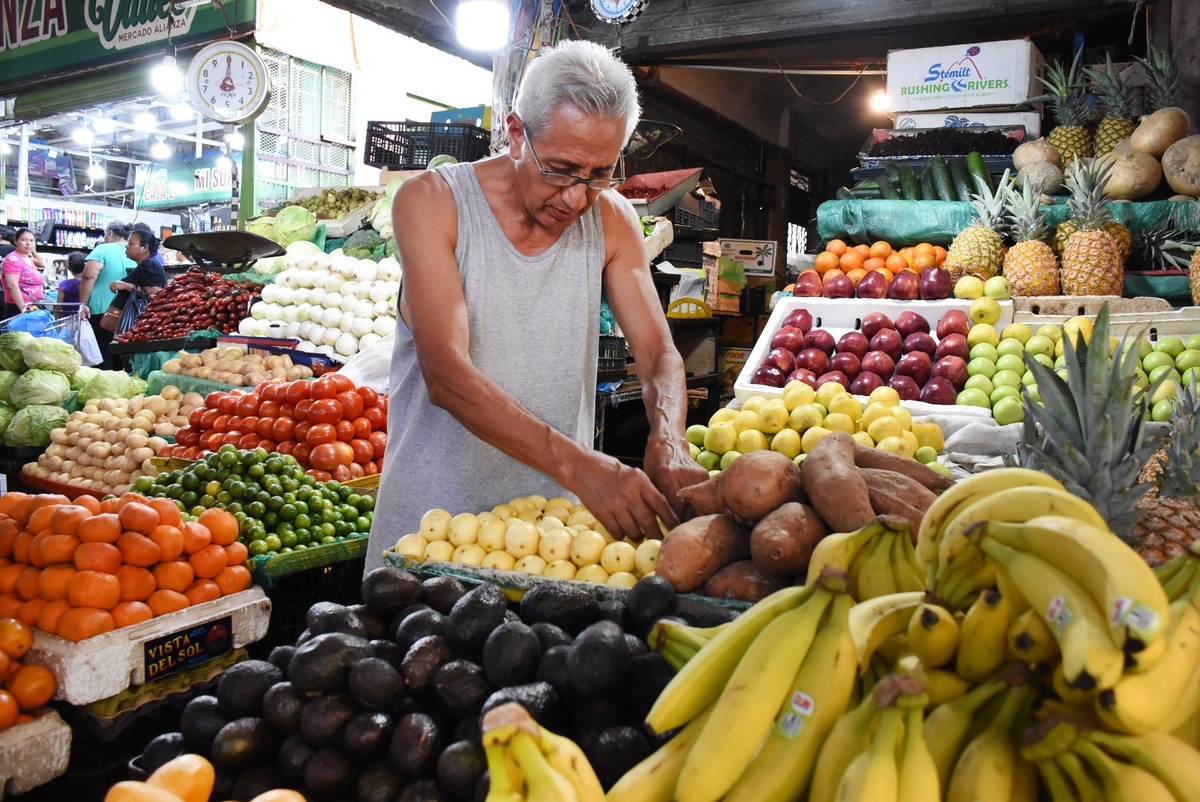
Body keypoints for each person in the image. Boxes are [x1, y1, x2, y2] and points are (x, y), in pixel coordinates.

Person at [364, 41, 707, 573]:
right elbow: (447, 375)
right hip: (427, 530)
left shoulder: (612, 220)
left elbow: (658, 354)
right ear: (517, 133)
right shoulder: (432, 203)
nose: (576, 197)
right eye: (562, 170)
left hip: (552, 541)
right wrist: (581, 466)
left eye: (599, 174)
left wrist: (668, 435)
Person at [79, 221, 134, 369]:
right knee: (121, 353)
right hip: (127, 313)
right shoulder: (134, 251)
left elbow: (89, 276)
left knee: (102, 353)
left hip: (101, 311)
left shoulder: (103, 249)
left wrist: (82, 303)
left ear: (109, 234)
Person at [108, 229, 167, 329]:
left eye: (131, 244)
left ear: (145, 247)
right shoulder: (146, 264)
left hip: (137, 325)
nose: (127, 246)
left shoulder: (149, 264)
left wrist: (126, 286)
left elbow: (155, 293)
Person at [1, 228, 45, 319]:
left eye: (31, 240)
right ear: (15, 241)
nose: (28, 243)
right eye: (24, 240)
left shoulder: (28, 258)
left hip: (33, 307)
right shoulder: (12, 259)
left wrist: (32, 250)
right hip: (18, 309)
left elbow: (41, 264)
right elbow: (12, 285)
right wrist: (23, 309)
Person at [56, 252, 86, 317]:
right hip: (84, 319)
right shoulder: (88, 285)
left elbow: (58, 306)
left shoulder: (64, 285)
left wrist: (56, 318)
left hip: (67, 320)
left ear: (69, 268)